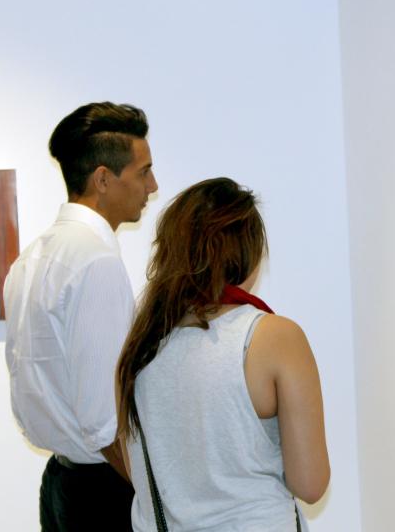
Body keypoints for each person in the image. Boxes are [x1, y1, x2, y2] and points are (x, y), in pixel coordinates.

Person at [116, 177, 330, 532]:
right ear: (250, 253)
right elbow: (310, 483)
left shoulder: (139, 348)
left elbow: (139, 470)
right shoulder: (274, 337)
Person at [4, 102, 158, 531]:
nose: (152, 185)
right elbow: (104, 421)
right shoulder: (96, 262)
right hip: (102, 491)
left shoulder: (32, 258)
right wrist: (159, 497)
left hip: (61, 482)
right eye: (143, 172)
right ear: (104, 179)